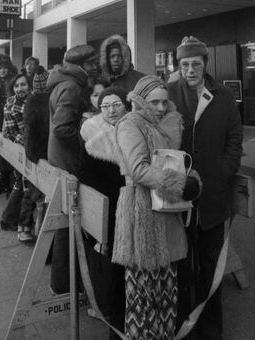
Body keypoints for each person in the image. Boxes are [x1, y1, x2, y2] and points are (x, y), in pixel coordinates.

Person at [112, 75, 201, 340]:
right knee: (142, 296)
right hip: (141, 214)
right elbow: (138, 169)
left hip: (166, 212)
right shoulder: (130, 124)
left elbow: (174, 163)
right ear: (140, 101)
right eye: (154, 102)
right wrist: (179, 184)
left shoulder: (168, 124)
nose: (161, 108)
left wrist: (192, 180)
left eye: (164, 101)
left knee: (166, 292)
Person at [168, 36, 243, 340]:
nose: (190, 69)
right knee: (182, 265)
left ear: (205, 64)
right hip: (179, 197)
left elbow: (235, 139)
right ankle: (185, 326)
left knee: (211, 266)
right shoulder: (169, 94)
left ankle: (211, 331)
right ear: (179, 66)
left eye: (195, 64)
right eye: (184, 64)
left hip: (213, 195)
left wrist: (225, 172)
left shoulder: (222, 95)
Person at [47, 44, 99, 293]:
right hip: (68, 163)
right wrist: (87, 131)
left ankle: (63, 281)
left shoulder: (65, 83)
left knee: (65, 224)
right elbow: (61, 128)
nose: (95, 67)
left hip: (61, 160)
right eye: (91, 63)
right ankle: (63, 283)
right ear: (80, 66)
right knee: (67, 225)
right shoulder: (71, 87)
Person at [80, 85, 130, 337]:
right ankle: (113, 310)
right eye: (105, 106)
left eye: (116, 104)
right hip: (109, 211)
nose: (111, 110)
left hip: (133, 207)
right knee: (114, 262)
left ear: (125, 105)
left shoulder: (135, 130)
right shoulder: (91, 136)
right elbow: (87, 177)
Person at [0, 73, 35, 242]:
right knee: (25, 185)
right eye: (16, 86)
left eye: (23, 85)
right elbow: (12, 132)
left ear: (29, 85)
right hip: (21, 149)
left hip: (35, 149)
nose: (20, 88)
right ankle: (21, 225)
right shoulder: (10, 106)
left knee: (21, 184)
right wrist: (27, 145)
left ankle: (8, 219)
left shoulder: (36, 100)